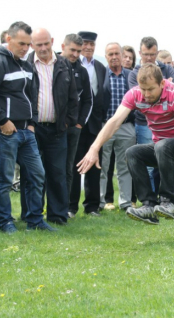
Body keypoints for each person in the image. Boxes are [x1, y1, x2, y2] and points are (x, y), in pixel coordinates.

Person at [77, 63, 174, 225]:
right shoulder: (136, 94)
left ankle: (168, 202)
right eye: (143, 89)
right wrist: (94, 148)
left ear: (162, 84)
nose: (146, 94)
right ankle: (149, 206)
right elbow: (115, 121)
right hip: (162, 149)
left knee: (162, 145)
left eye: (151, 89)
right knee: (132, 152)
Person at [0, 21, 51, 233]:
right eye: (21, 44)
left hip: (26, 131)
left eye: (29, 44)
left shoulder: (26, 64)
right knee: (4, 180)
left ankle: (35, 221)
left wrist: (32, 123)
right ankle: (5, 223)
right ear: (8, 39)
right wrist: (2, 121)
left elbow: (32, 95)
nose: (26, 48)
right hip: (4, 132)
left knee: (37, 175)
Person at [25, 28, 78, 226]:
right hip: (33, 129)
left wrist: (67, 121)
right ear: (32, 45)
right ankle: (32, 215)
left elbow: (73, 97)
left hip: (57, 129)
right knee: (32, 174)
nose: (44, 48)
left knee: (58, 174)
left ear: (52, 41)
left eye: (46, 43)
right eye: (39, 45)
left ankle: (57, 216)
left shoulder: (64, 64)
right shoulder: (26, 64)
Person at [128, 37, 174, 191]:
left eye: (152, 54)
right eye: (145, 54)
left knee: (167, 161)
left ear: (157, 53)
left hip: (169, 126)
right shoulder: (134, 73)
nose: (149, 58)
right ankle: (149, 202)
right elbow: (140, 100)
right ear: (140, 53)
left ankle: (166, 199)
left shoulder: (167, 68)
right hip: (145, 124)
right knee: (149, 165)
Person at [69, 31, 106, 218]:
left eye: (92, 44)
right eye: (85, 44)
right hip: (76, 123)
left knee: (94, 165)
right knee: (74, 165)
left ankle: (92, 206)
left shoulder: (100, 67)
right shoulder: (71, 65)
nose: (89, 47)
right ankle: (71, 206)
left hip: (95, 125)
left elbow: (101, 95)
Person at [99, 43, 136, 211]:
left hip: (127, 126)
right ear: (106, 57)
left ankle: (126, 203)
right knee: (102, 165)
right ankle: (99, 202)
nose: (114, 57)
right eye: (110, 54)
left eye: (116, 53)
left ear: (122, 55)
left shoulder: (130, 75)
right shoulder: (101, 75)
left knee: (125, 166)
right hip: (105, 126)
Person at [60, 34, 93, 198]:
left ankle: (64, 208)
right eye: (72, 50)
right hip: (51, 127)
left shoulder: (82, 71)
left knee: (69, 168)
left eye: (78, 51)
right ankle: (42, 208)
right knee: (46, 167)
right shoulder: (53, 66)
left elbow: (88, 99)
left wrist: (79, 123)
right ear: (62, 47)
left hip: (73, 128)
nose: (75, 54)